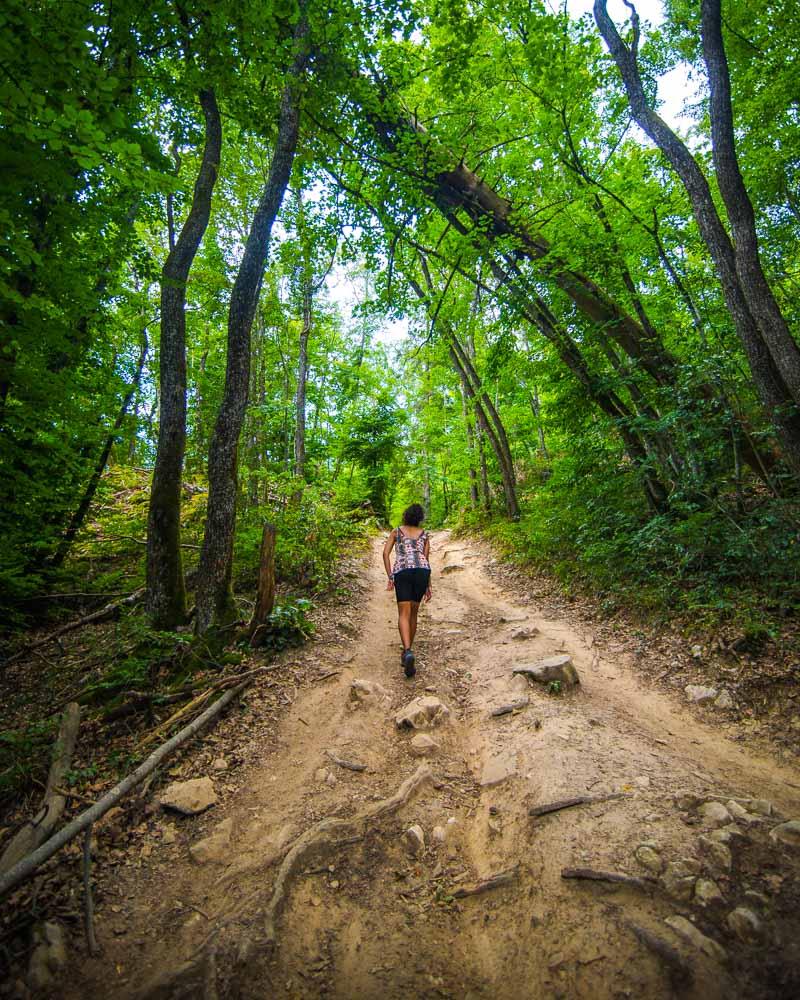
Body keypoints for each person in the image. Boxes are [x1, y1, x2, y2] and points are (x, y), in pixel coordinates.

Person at [383, 503, 432, 678]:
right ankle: (407, 652)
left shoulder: (396, 532)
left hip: (403, 570)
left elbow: (385, 553)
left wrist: (390, 575)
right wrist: (428, 585)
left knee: (403, 613)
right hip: (422, 572)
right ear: (419, 518)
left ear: (405, 515)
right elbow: (425, 559)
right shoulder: (424, 535)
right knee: (413, 613)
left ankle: (407, 650)